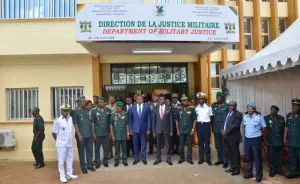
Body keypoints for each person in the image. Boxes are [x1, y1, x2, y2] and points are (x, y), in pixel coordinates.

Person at [52, 105, 78, 183]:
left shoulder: (70, 119)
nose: (66, 112)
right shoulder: (58, 120)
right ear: (61, 111)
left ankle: (69, 174)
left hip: (70, 143)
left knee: (70, 159)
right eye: (64, 110)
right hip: (61, 144)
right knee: (61, 160)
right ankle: (62, 176)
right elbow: (53, 132)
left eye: (67, 110)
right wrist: (58, 141)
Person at [243, 103, 266, 183]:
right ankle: (249, 173)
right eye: (248, 108)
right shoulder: (245, 117)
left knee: (257, 158)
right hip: (247, 139)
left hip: (256, 139)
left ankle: (259, 175)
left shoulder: (259, 117)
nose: (249, 109)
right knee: (248, 157)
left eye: (251, 108)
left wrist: (258, 134)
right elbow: (245, 126)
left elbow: (263, 128)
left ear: (254, 109)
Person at [73, 96, 95, 174]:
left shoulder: (86, 110)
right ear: (79, 103)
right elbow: (75, 124)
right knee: (81, 152)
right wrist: (78, 134)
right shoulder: (75, 112)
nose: (85, 102)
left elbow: (89, 122)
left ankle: (90, 165)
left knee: (90, 150)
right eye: (83, 101)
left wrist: (92, 133)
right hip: (81, 135)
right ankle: (83, 167)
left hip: (89, 134)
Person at [222, 101, 243, 176]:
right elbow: (225, 123)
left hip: (233, 137)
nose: (230, 107)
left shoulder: (239, 114)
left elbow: (235, 125)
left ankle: (237, 170)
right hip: (226, 136)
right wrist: (222, 130)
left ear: (235, 106)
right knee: (229, 152)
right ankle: (232, 167)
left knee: (235, 153)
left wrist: (226, 131)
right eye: (229, 105)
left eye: (232, 105)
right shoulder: (227, 113)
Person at [264, 105, 285, 177]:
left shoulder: (281, 118)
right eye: (271, 109)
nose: (272, 111)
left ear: (277, 111)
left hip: (279, 141)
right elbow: (264, 130)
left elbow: (283, 130)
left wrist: (284, 140)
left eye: (274, 110)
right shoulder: (267, 118)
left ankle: (279, 169)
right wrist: (265, 140)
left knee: (279, 157)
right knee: (271, 156)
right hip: (271, 141)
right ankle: (272, 170)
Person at [152, 95, 173, 166]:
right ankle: (158, 158)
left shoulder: (169, 108)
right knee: (158, 145)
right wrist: (153, 131)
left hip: (166, 130)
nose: (160, 100)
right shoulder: (155, 108)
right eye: (159, 99)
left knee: (168, 145)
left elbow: (171, 121)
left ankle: (168, 159)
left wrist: (171, 131)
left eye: (162, 99)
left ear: (164, 100)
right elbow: (153, 121)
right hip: (157, 130)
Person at [129, 95, 151, 165]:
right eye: (138, 99)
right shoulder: (132, 108)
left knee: (144, 144)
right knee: (135, 144)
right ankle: (136, 158)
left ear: (142, 100)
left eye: (140, 99)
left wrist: (148, 128)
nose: (139, 100)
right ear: (136, 100)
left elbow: (148, 119)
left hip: (143, 129)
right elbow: (130, 120)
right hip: (135, 129)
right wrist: (130, 129)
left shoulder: (146, 107)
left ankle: (144, 158)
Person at [91, 97, 111, 169]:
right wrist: (93, 133)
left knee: (106, 148)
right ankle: (97, 162)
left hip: (106, 132)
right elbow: (92, 122)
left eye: (102, 102)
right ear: (98, 103)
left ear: (104, 103)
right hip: (97, 133)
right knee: (97, 148)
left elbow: (110, 123)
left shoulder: (108, 111)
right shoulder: (94, 111)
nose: (101, 103)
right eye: (100, 102)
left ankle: (105, 161)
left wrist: (110, 132)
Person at [176, 95, 196, 165]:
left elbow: (194, 120)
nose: (184, 102)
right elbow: (177, 120)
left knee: (189, 145)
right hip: (181, 130)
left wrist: (193, 130)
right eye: (183, 101)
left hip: (189, 131)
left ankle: (189, 159)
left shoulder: (191, 109)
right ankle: (181, 158)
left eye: (185, 100)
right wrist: (177, 130)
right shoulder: (178, 109)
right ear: (181, 102)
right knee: (181, 146)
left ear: (187, 101)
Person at [195, 92, 213, 166]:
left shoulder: (209, 108)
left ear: (205, 100)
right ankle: (201, 158)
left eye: (202, 99)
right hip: (199, 125)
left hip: (206, 125)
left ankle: (208, 159)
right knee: (200, 143)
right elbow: (195, 118)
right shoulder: (196, 108)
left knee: (207, 143)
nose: (201, 100)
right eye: (199, 99)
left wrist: (207, 123)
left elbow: (211, 117)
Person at [211, 92, 229, 168]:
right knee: (218, 145)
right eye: (217, 97)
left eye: (219, 97)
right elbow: (211, 117)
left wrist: (227, 129)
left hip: (223, 129)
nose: (217, 98)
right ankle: (220, 159)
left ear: (222, 98)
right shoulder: (213, 105)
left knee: (224, 145)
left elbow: (229, 118)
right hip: (215, 128)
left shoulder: (226, 106)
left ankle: (225, 161)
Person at [110, 101, 129, 167]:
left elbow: (127, 125)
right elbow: (111, 125)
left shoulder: (125, 114)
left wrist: (128, 134)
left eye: (121, 107)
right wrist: (112, 135)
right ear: (116, 107)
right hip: (116, 135)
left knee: (124, 148)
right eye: (118, 107)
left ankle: (124, 160)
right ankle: (116, 161)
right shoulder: (113, 114)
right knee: (117, 149)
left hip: (123, 134)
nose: (119, 108)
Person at [284, 99, 300, 179]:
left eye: (296, 105)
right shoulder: (288, 115)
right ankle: (293, 173)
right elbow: (286, 127)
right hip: (291, 141)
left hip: (299, 141)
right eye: (293, 105)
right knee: (292, 158)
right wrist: (284, 137)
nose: (294, 107)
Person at [106, 95, 117, 160]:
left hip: (117, 125)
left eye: (112, 98)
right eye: (110, 98)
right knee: (109, 141)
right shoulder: (107, 106)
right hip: (109, 125)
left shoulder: (117, 106)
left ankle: (117, 154)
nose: (111, 99)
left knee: (117, 140)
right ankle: (111, 153)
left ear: (115, 99)